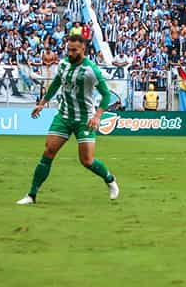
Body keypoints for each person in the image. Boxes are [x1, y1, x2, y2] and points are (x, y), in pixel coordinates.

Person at [17, 34, 119, 205]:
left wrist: (97, 116)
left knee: (86, 161)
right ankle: (31, 195)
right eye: (68, 50)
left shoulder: (91, 70)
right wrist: (42, 104)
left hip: (84, 119)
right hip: (64, 116)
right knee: (48, 151)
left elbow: (106, 95)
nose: (70, 53)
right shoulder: (63, 65)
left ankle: (109, 179)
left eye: (74, 50)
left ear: (83, 49)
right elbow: (56, 83)